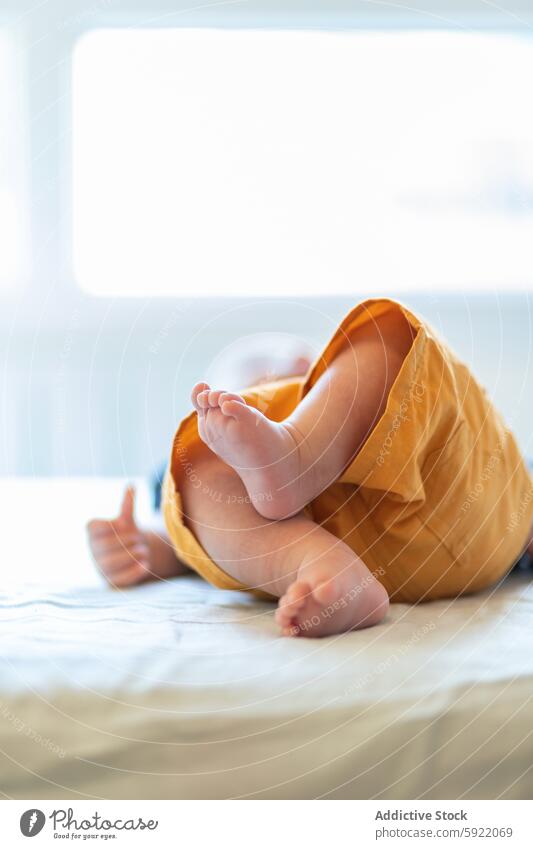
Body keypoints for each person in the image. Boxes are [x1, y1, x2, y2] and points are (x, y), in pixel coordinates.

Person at [88, 299, 533, 637]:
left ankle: (295, 449)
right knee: (192, 475)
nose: (265, 403)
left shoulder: (358, 394)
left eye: (287, 388)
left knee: (387, 334)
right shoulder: (204, 461)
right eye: (252, 400)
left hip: (455, 500)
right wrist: (145, 549)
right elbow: (193, 544)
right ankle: (318, 565)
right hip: (354, 556)